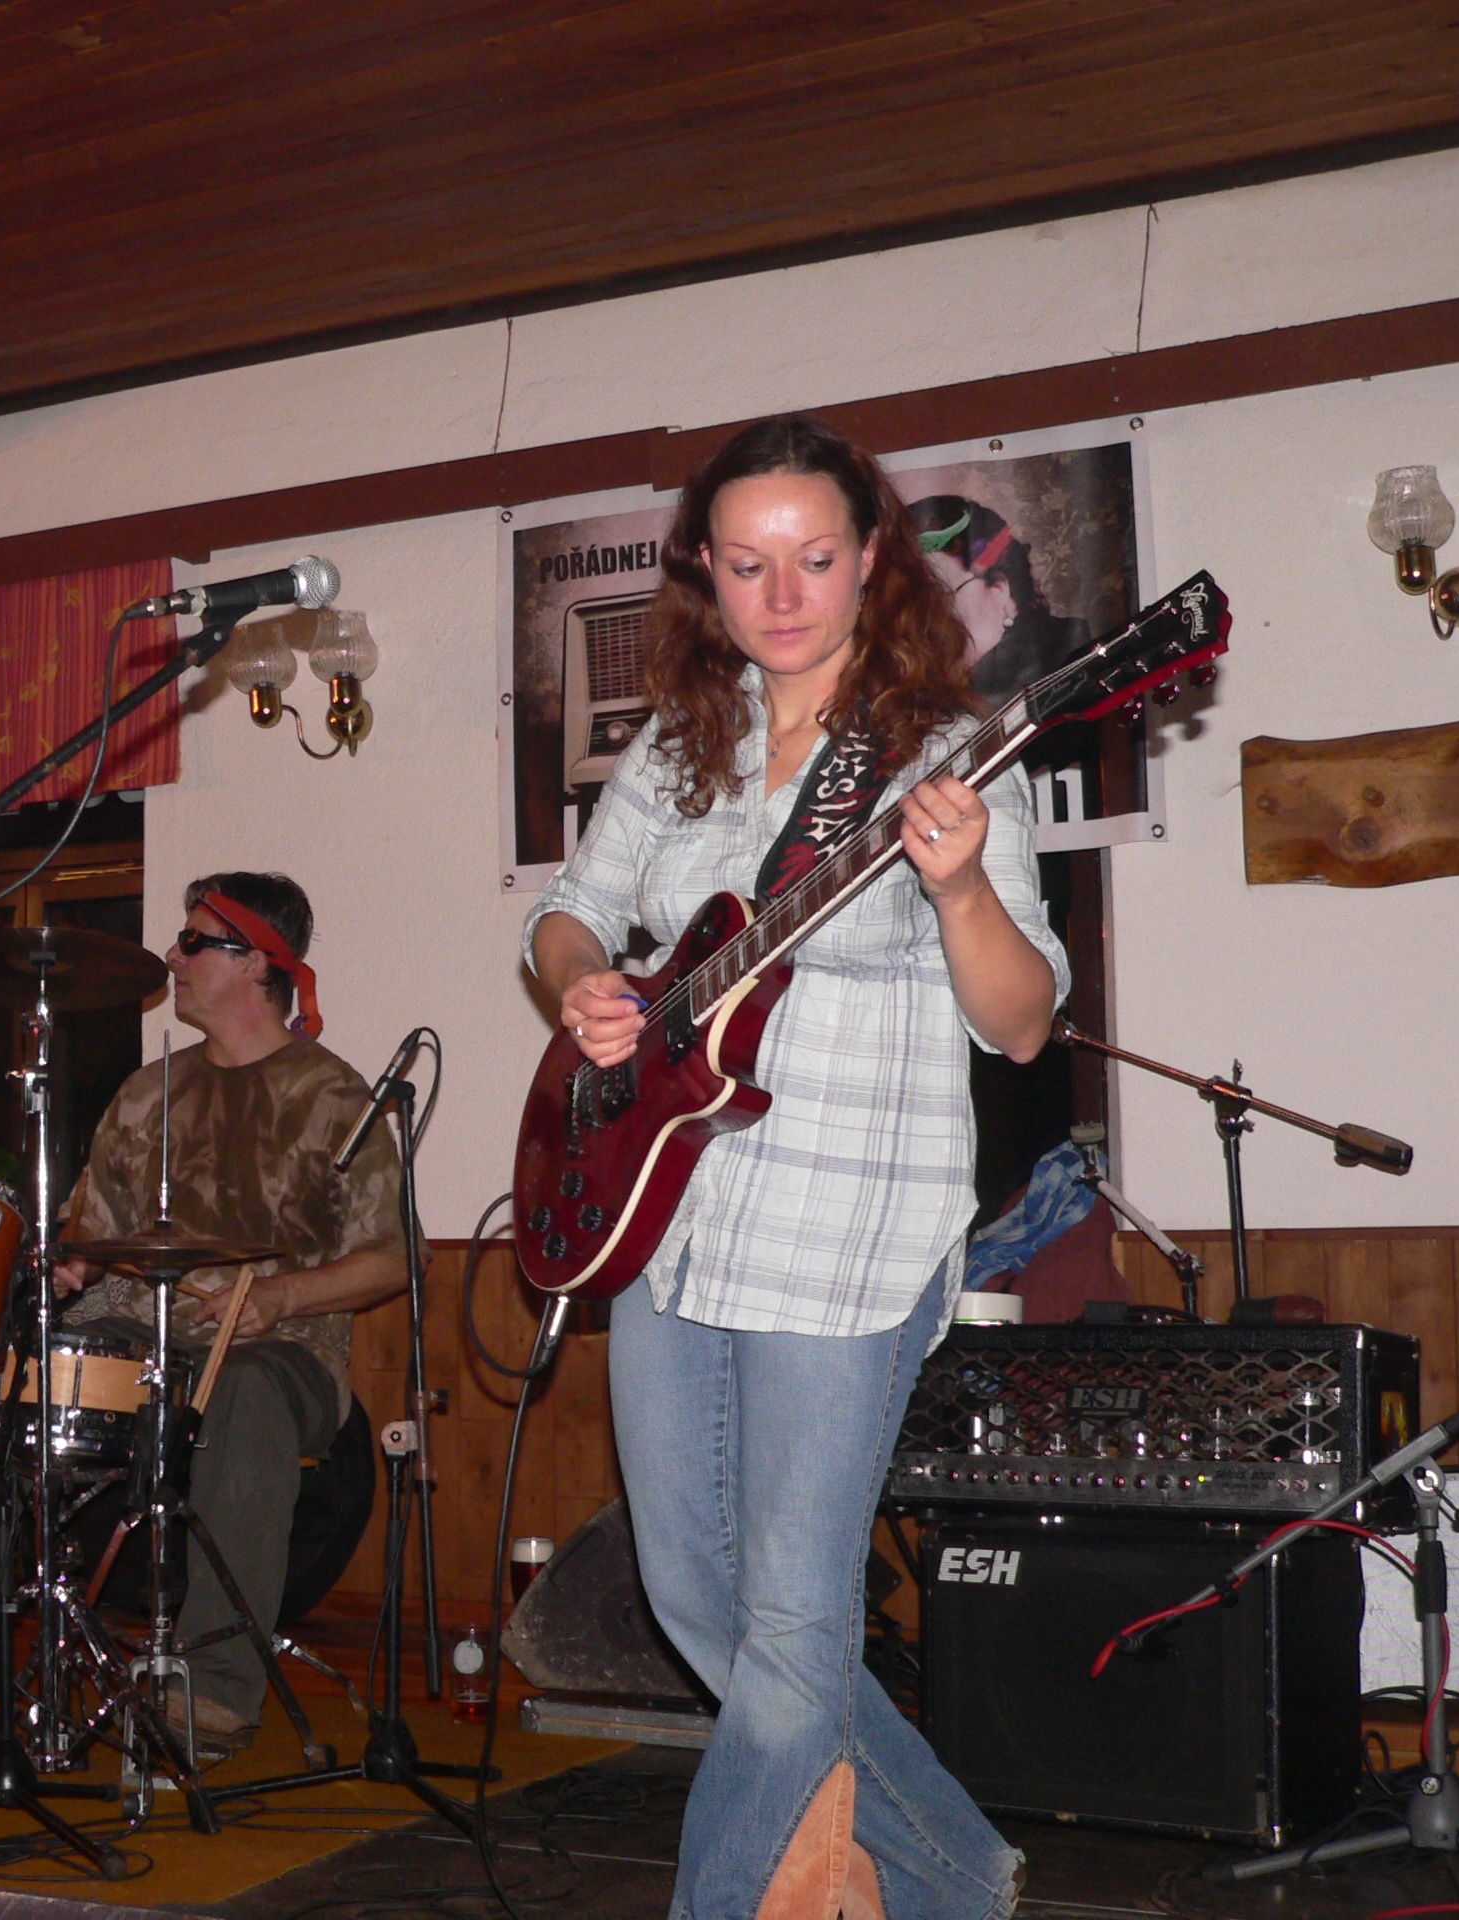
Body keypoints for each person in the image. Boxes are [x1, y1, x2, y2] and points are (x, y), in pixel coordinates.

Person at [525, 419, 1064, 1920]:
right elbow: (567, 912)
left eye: (814, 560)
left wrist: (960, 888)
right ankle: (959, 1876)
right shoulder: (677, 748)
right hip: (672, 1212)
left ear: (871, 558)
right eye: (746, 563)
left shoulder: (946, 753)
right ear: (702, 570)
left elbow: (1022, 1022)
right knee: (695, 1598)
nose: (781, 595)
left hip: (850, 1225)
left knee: (788, 1621)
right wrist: (582, 985)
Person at [53, 871, 407, 1756]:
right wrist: (69, 1260)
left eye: (193, 942)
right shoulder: (146, 1095)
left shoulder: (335, 1100)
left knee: (243, 1392)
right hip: (140, 1333)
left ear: (256, 962)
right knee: (34, 1378)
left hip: (284, 1346)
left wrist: (279, 1294)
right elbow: (88, 1231)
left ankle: (212, 1689)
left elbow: (396, 1256)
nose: (172, 958)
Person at [903, 495, 1091, 706]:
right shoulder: (916, 684)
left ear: (1000, 589)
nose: (923, 615)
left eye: (941, 595)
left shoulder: (1065, 651)